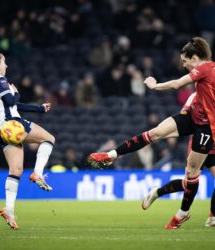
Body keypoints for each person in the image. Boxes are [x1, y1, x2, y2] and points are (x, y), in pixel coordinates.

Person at [89, 37, 215, 229]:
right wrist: (187, 109)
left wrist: (155, 85)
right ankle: (111, 155)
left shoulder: (205, 68)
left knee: (191, 173)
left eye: (185, 61)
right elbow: (196, 95)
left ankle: (185, 213)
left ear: (195, 58)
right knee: (155, 133)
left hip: (208, 128)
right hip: (194, 119)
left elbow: (176, 84)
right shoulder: (205, 75)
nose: (183, 65)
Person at [0, 51, 55, 230]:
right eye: (4, 62)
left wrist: (38, 108)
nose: (6, 65)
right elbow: (12, 99)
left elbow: (11, 104)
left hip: (0, 130)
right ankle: (38, 172)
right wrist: (15, 92)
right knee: (49, 139)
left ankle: (9, 210)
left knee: (16, 170)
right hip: (12, 124)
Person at [142, 136, 215, 228]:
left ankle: (212, 216)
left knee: (190, 184)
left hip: (213, 146)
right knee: (190, 183)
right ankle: (158, 193)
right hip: (201, 141)